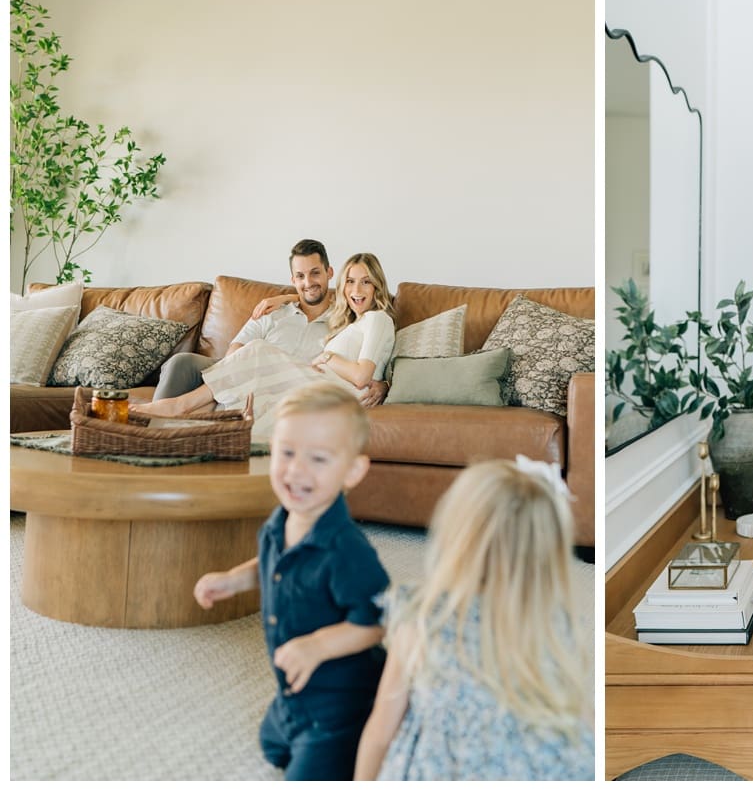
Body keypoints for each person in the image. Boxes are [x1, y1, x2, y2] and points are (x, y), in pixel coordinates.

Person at [353, 457, 595, 781]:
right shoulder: (557, 626)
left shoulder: (423, 618)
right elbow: (583, 723)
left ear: (455, 537)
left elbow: (382, 729)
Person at [193, 383, 390, 780]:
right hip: (293, 695)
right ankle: (294, 722)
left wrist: (319, 646)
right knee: (272, 747)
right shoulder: (281, 520)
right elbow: (272, 564)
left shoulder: (346, 549)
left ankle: (370, 741)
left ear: (352, 471)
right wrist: (233, 580)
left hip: (338, 706)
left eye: (318, 459)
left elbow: (376, 621)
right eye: (286, 453)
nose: (296, 471)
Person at [136, 253, 396, 442]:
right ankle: (163, 428)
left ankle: (174, 412)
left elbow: (365, 372)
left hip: (315, 383)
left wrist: (330, 358)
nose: (357, 289)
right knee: (250, 368)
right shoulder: (346, 318)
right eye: (350, 281)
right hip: (273, 375)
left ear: (328, 274)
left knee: (259, 352)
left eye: (366, 281)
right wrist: (284, 298)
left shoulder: (365, 318)